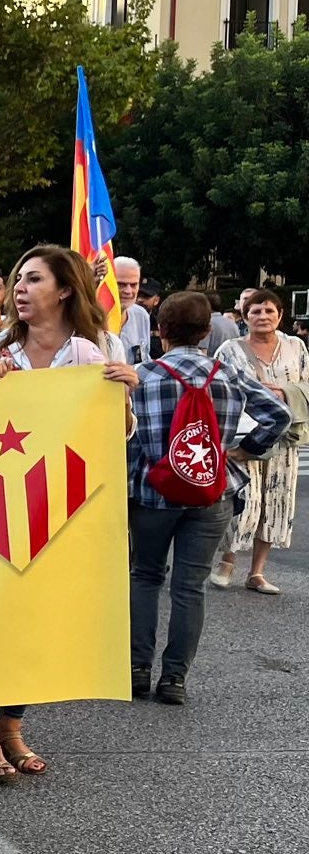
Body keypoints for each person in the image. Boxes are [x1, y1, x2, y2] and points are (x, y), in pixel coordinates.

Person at [0, 245, 139, 783]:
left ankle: (14, 725)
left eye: (32, 279)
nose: (18, 288)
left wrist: (125, 396)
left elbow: (116, 435)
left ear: (64, 290)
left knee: (37, 623)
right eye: (18, 278)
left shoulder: (90, 354)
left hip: (62, 509)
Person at [130, 292, 290, 707]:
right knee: (190, 587)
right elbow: (279, 415)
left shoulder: (141, 375)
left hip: (152, 492)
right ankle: (175, 679)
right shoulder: (227, 374)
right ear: (206, 332)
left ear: (160, 331)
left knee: (146, 577)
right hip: (210, 491)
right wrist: (244, 449)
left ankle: (137, 668)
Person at [211, 289, 308, 594]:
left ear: (281, 315)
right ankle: (226, 560)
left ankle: (257, 572)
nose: (262, 317)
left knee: (276, 501)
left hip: (283, 436)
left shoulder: (296, 346)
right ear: (244, 315)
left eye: (268, 311)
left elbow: (306, 382)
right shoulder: (229, 349)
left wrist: (282, 392)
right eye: (255, 311)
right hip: (244, 434)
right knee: (244, 499)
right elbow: (216, 385)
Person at [113, 257, 151, 362]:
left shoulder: (142, 315)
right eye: (121, 284)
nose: (128, 291)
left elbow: (145, 359)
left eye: (134, 285)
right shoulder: (91, 318)